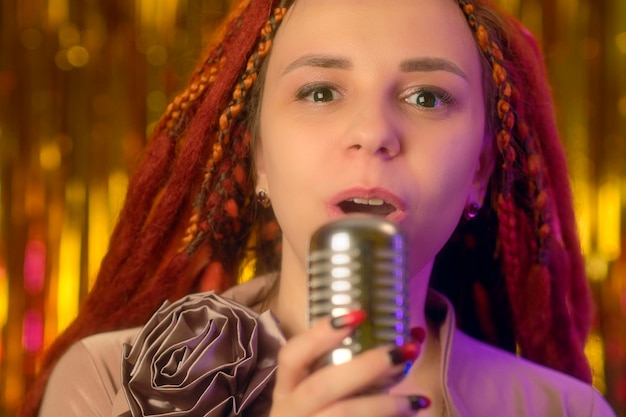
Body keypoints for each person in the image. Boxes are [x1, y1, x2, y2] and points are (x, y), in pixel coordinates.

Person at [21, 0, 617, 415]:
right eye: (321, 92)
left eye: (428, 96)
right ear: (254, 155)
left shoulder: (566, 410)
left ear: (480, 172)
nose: (373, 132)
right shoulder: (105, 383)